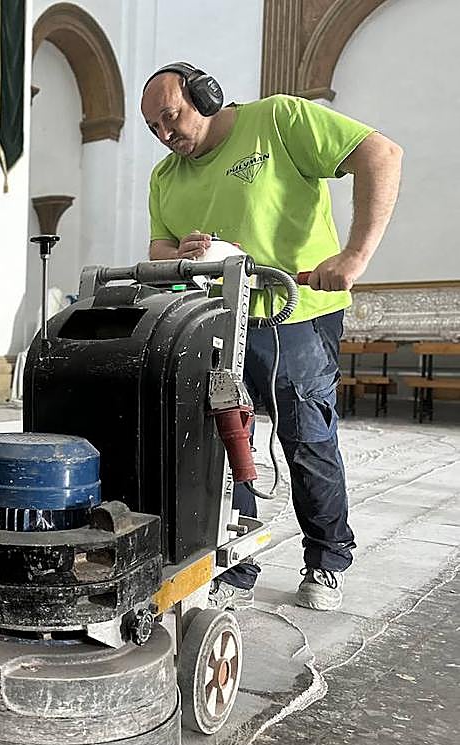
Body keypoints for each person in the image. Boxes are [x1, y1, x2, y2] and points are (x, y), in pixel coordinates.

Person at [141, 63, 402, 611]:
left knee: (305, 436)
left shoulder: (278, 119)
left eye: (172, 118)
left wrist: (354, 256)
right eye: (155, 130)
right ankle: (233, 559)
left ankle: (328, 558)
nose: (167, 137)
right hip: (213, 319)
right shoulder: (166, 176)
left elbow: (382, 155)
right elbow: (157, 249)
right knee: (217, 440)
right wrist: (180, 251)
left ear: (205, 96)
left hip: (295, 312)